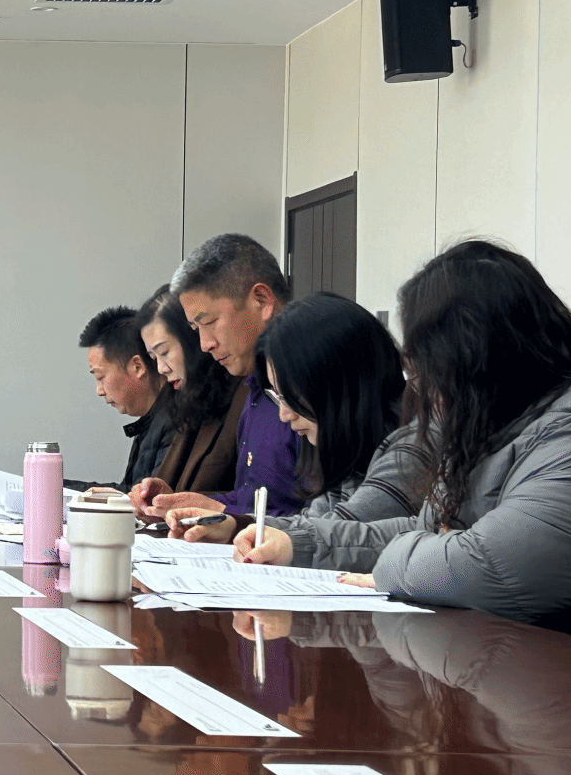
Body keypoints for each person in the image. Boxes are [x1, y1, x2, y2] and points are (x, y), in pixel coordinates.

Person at [240, 240, 571, 682]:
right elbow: (428, 530)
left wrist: (389, 567)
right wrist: (299, 545)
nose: (423, 390)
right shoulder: (516, 432)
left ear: (473, 364)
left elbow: (487, 568)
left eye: (428, 369)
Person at [176, 293, 428, 549]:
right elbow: (315, 522)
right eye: (277, 397)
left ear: (342, 383)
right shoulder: (349, 450)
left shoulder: (412, 450)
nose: (284, 415)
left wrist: (242, 528)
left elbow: (342, 537)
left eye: (292, 397)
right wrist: (234, 526)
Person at [138, 232, 301, 521]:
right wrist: (190, 502)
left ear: (262, 300)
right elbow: (249, 500)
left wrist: (228, 514)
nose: (205, 344)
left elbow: (331, 517)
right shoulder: (255, 388)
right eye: (196, 329)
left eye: (210, 322)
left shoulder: (316, 384)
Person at [116, 283, 243, 510]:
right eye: (154, 357)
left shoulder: (243, 397)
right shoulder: (189, 403)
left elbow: (256, 500)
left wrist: (180, 503)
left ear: (193, 339)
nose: (161, 368)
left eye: (164, 352)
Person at [77, 306, 170, 492]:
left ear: (137, 367)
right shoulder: (151, 422)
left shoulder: (175, 423)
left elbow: (147, 501)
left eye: (100, 377)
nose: (99, 391)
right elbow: (128, 491)